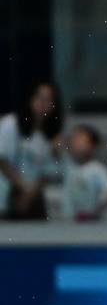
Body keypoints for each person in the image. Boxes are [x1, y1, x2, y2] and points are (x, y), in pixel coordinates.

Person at [0, 82, 64, 220]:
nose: (43, 103)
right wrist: (23, 187)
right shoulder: (11, 124)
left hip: (32, 199)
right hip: (6, 194)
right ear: (30, 100)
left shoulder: (51, 137)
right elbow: (2, 160)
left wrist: (30, 194)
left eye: (48, 100)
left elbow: (49, 173)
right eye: (40, 98)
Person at [62, 124, 107, 221]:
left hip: (88, 223)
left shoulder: (97, 169)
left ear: (93, 146)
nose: (78, 145)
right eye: (75, 140)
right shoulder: (67, 166)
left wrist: (97, 212)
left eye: (82, 141)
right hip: (68, 222)